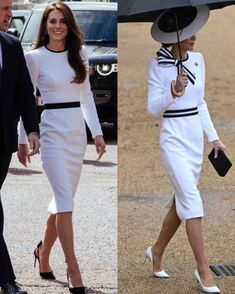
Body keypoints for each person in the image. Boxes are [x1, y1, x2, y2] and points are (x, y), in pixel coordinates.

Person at [17, 1, 106, 293]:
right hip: (51, 131)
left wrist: (97, 133)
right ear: (46, 26)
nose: (57, 26)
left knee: (61, 201)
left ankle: (43, 254)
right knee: (66, 202)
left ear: (69, 25)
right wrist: (23, 138)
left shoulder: (78, 53)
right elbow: (25, 100)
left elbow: (87, 98)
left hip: (75, 134)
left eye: (62, 21)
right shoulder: (35, 57)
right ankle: (73, 267)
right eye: (52, 21)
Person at [146, 6, 224, 294]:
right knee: (192, 201)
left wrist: (213, 138)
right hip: (173, 139)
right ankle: (203, 270)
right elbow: (153, 109)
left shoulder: (199, 60)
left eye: (195, 29)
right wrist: (173, 90)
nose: (194, 36)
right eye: (188, 32)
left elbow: (200, 102)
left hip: (194, 140)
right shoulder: (157, 65)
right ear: (173, 35)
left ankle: (156, 251)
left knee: (182, 202)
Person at [0, 0, 40, 293]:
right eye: (2, 8)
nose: (9, 14)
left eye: (10, 7)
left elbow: (25, 92)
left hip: (1, 142)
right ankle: (6, 279)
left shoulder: (12, 46)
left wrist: (32, 128)